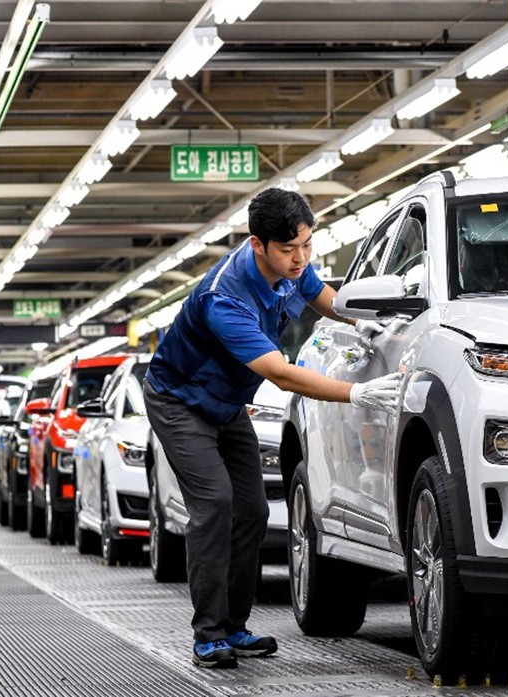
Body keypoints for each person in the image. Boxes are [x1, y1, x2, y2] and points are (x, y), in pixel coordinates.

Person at [143, 187, 401, 669]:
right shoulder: (227, 298)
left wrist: (371, 324)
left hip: (226, 406)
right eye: (289, 249)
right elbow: (280, 373)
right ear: (257, 245)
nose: (301, 257)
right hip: (180, 404)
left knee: (255, 510)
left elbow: (322, 296)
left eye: (308, 243)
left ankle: (236, 627)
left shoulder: (291, 265)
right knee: (215, 504)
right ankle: (209, 635)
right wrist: (354, 392)